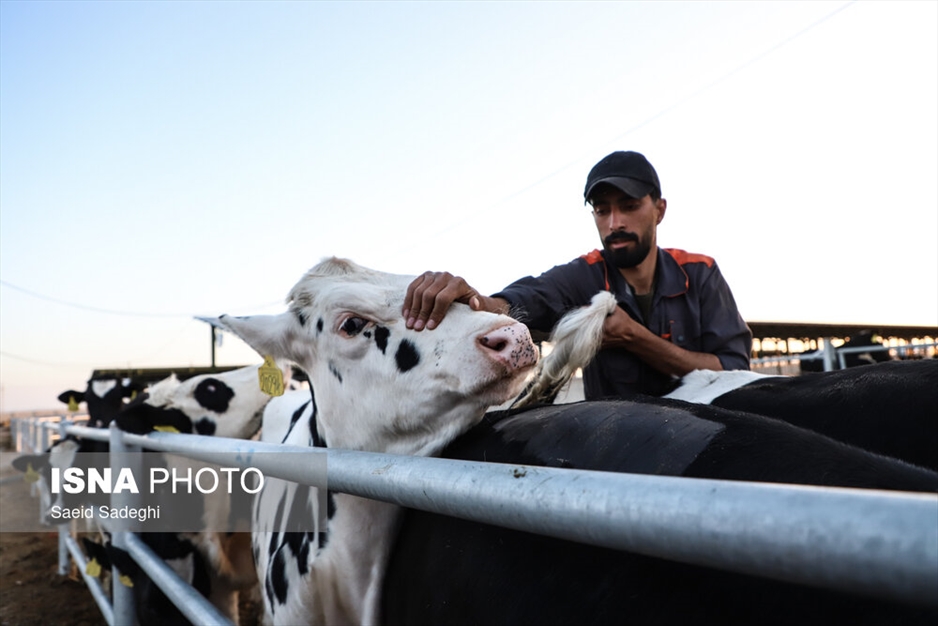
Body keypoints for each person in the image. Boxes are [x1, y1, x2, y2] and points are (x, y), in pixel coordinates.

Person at [403, 150, 752, 399]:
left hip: (706, 437)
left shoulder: (700, 272)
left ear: (659, 209)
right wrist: (473, 301)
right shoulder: (585, 275)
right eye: (602, 211)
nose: (615, 223)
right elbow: (530, 296)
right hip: (620, 445)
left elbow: (735, 370)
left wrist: (635, 338)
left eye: (629, 207)